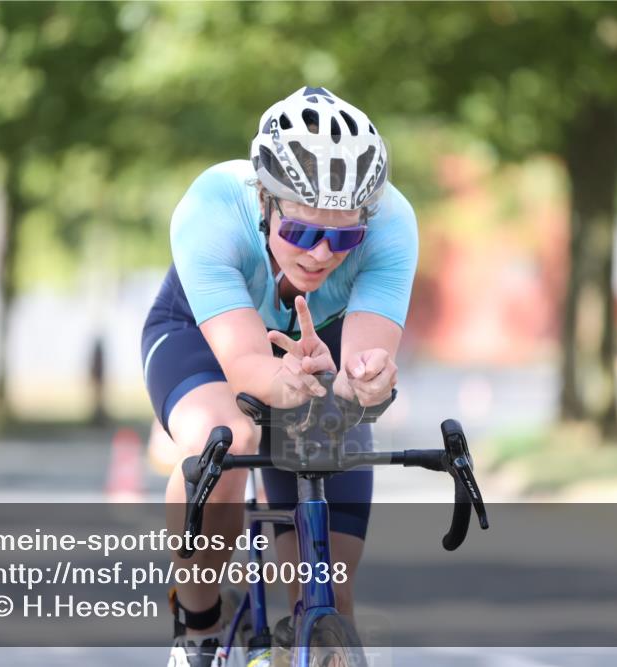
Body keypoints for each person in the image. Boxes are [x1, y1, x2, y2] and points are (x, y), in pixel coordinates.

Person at [140, 86, 418, 667]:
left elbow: (365, 365)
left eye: (343, 238)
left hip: (321, 347)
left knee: (329, 606)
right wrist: (282, 384)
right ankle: (197, 626)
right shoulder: (212, 204)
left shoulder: (393, 223)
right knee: (227, 438)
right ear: (265, 200)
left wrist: (361, 385)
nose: (319, 254)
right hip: (203, 338)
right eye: (300, 232)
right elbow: (245, 365)